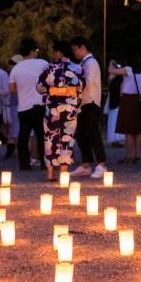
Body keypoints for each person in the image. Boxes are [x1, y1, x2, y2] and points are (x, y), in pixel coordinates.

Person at [38, 41, 83, 181]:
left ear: (58, 52)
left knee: (50, 138)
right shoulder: (77, 68)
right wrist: (68, 92)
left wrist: (52, 91)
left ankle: (50, 174)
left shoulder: (50, 68)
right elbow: (80, 89)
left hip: (52, 108)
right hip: (70, 108)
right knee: (67, 138)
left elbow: (39, 88)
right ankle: (64, 173)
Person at [8, 39, 48, 173]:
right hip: (40, 104)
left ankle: (24, 164)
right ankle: (44, 162)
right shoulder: (43, 63)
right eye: (36, 51)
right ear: (32, 51)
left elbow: (12, 90)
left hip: (23, 107)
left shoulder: (16, 68)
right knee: (41, 135)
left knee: (23, 135)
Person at [70, 37, 107, 179]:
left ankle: (102, 164)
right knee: (81, 133)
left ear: (83, 47)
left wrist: (70, 89)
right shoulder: (85, 63)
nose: (74, 53)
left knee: (93, 133)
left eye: (75, 50)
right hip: (83, 103)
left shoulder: (90, 63)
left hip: (90, 102)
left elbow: (87, 82)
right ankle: (86, 164)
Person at [110, 56, 141, 164]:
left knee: (128, 131)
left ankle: (129, 156)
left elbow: (111, 71)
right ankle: (137, 156)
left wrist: (111, 62)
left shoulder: (128, 70)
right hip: (139, 101)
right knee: (138, 131)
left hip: (128, 100)